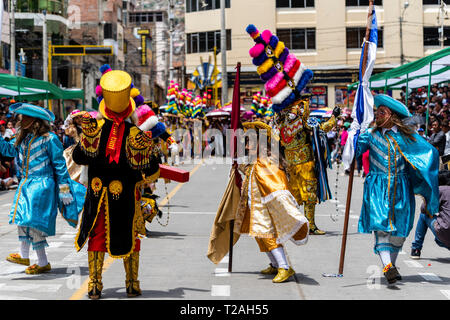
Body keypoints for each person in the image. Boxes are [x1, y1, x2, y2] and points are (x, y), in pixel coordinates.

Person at [72, 69, 163, 299]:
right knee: (129, 237)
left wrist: (87, 138)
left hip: (99, 195)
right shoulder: (137, 133)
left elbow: (79, 157)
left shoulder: (96, 131)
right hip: (123, 198)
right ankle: (132, 283)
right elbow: (152, 171)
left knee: (98, 236)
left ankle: (95, 284)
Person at [245, 24, 340, 235]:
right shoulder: (290, 113)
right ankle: (303, 225)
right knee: (299, 193)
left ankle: (306, 224)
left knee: (303, 193)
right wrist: (333, 120)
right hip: (294, 159)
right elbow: (313, 128)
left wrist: (332, 120)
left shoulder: (288, 113)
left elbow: (313, 128)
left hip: (296, 158)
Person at [355, 94, 439, 285]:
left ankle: (390, 268)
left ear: (392, 116)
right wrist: (356, 132)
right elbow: (354, 151)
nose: (377, 115)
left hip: (402, 188)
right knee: (382, 226)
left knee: (400, 231)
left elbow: (429, 153)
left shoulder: (407, 137)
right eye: (377, 112)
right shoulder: (371, 135)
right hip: (378, 187)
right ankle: (387, 267)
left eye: (381, 112)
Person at [0, 103, 85, 274]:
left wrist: (64, 189)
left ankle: (34, 258)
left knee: (33, 219)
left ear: (34, 121)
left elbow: (60, 165)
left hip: (42, 185)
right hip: (25, 184)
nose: (21, 121)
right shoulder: (22, 139)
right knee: (23, 218)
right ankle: (33, 257)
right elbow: (8, 150)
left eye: (25, 118)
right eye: (21, 118)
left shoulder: (50, 138)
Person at [233, 121, 309, 283]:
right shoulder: (258, 161)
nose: (247, 147)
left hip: (265, 208)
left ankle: (285, 267)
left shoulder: (268, 161)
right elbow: (253, 175)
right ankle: (275, 264)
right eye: (246, 144)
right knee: (259, 235)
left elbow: (276, 186)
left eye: (250, 143)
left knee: (267, 235)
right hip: (255, 207)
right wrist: (241, 167)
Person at [410, 170, 450, 259]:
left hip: (445, 233)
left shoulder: (440, 190)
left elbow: (424, 209)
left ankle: (416, 248)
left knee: (424, 216)